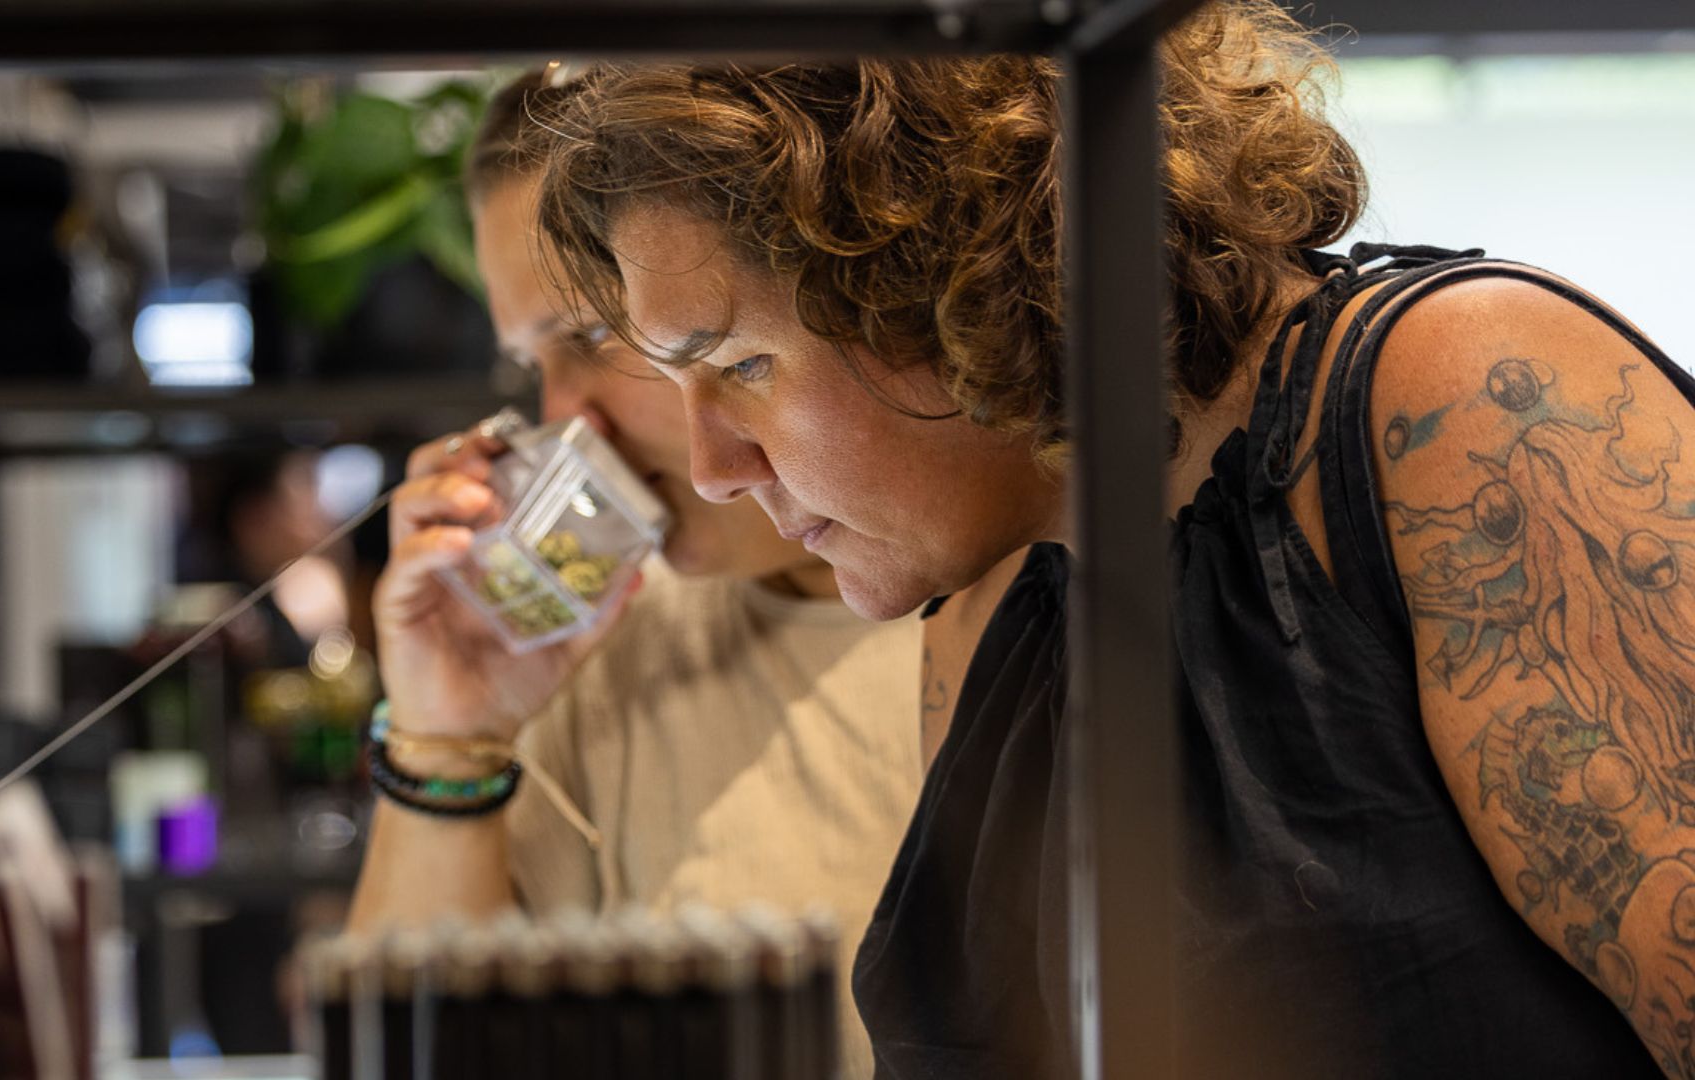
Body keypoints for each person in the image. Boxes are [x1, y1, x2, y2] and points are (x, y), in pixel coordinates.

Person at [528, 5, 1693, 1076]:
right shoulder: (996, 606)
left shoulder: (1458, 409)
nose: (718, 469)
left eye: (742, 366)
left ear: (935, 267)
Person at [345, 71, 924, 1079]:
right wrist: (449, 739)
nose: (567, 418)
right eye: (531, 365)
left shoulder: (1037, 605)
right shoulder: (598, 652)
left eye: (597, 334)